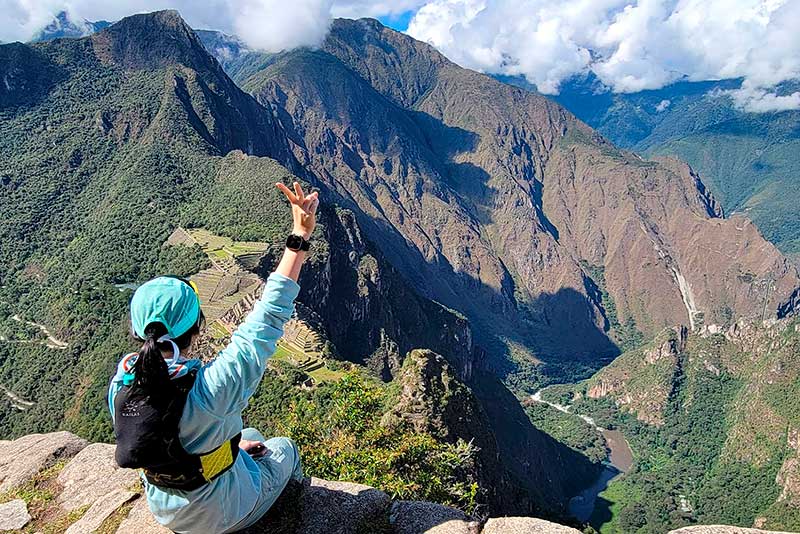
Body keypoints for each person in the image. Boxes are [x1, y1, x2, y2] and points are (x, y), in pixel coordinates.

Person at [108, 182, 320, 534]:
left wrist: (230, 452)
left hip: (164, 507)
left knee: (248, 435)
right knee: (283, 448)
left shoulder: (123, 380)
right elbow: (267, 317)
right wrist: (300, 234)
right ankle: (293, 515)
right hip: (219, 513)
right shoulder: (212, 390)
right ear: (196, 328)